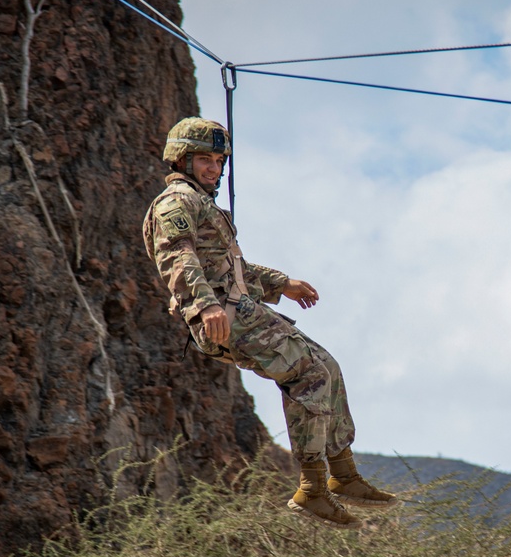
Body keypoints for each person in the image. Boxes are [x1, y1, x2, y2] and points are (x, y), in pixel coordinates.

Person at [143, 117, 398, 530]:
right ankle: (313, 489)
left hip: (242, 311)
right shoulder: (176, 203)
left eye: (218, 160)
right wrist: (205, 306)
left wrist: (283, 283)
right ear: (182, 160)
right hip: (224, 318)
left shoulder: (204, 204)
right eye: (203, 159)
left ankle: (344, 475)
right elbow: (177, 257)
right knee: (308, 374)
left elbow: (232, 269)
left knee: (327, 367)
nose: (213, 168)